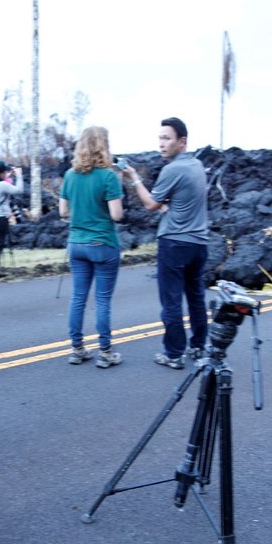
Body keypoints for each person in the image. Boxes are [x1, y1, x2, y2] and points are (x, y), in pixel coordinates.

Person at [122, 117, 209, 370]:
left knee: (171, 300)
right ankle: (198, 346)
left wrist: (134, 178)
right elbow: (185, 201)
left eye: (166, 138)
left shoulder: (172, 170)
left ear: (182, 141)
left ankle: (174, 354)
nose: (161, 144)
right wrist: (170, 207)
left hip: (174, 243)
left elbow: (150, 205)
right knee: (196, 298)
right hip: (199, 243)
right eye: (160, 138)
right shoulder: (197, 165)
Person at [58, 126, 124, 368]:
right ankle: (105, 353)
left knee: (78, 298)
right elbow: (117, 215)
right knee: (103, 300)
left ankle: (77, 349)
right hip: (103, 244)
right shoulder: (108, 176)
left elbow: (63, 211)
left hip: (76, 244)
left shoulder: (69, 176)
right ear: (103, 146)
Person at [0, 160, 23, 268]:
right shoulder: (2, 184)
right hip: (1, 218)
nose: (6, 173)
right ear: (0, 173)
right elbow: (19, 190)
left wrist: (11, 173)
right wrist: (19, 175)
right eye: (4, 171)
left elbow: (5, 179)